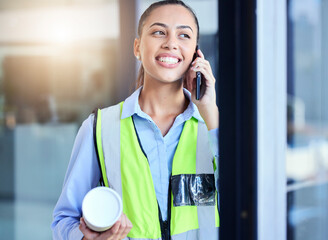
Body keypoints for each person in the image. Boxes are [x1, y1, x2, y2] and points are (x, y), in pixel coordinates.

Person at [52, 0, 219, 239]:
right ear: (137, 47)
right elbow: (63, 222)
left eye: (184, 35)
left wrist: (210, 112)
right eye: (159, 32)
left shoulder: (210, 126)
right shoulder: (99, 127)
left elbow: (242, 202)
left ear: (196, 54)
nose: (171, 43)